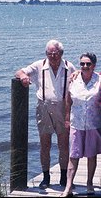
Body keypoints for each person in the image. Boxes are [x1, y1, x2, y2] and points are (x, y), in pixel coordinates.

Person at [15, 39, 76, 189]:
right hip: (43, 108)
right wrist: (23, 77)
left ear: (61, 53)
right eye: (49, 53)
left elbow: (78, 82)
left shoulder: (69, 66)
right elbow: (20, 71)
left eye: (55, 53)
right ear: (46, 53)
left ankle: (63, 177)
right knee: (45, 144)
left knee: (63, 145)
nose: (53, 56)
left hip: (63, 108)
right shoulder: (39, 65)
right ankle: (46, 177)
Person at [61, 53, 101, 197]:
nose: (85, 67)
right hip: (77, 123)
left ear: (93, 65)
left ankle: (89, 183)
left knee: (91, 155)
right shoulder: (73, 79)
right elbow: (68, 100)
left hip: (93, 123)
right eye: (82, 64)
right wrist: (67, 118)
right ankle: (68, 187)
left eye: (88, 64)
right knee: (73, 156)